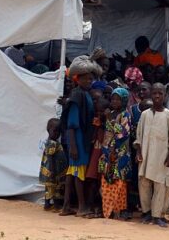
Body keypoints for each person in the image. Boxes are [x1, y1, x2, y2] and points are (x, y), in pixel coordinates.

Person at [59, 56, 100, 216]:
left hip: (79, 140)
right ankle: (82, 207)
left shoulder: (83, 93)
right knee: (78, 173)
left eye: (91, 78)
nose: (90, 81)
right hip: (78, 140)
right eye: (88, 78)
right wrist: (74, 146)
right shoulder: (78, 95)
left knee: (71, 173)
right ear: (79, 78)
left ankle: (66, 207)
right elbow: (72, 124)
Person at [134, 83, 169, 228]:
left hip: (162, 155)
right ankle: (146, 212)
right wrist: (139, 152)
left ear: (165, 95)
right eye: (154, 93)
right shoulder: (145, 114)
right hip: (146, 154)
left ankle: (157, 215)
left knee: (160, 185)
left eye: (160, 93)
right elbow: (138, 136)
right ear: (151, 95)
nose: (157, 96)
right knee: (144, 183)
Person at [99, 88, 131, 220]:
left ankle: (118, 210)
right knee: (106, 181)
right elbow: (106, 133)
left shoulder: (126, 115)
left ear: (124, 100)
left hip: (120, 153)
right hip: (107, 152)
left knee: (119, 182)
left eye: (118, 99)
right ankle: (107, 210)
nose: (114, 101)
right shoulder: (110, 113)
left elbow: (123, 133)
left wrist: (110, 120)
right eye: (113, 99)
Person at [84, 97, 108, 218]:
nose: (99, 114)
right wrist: (96, 126)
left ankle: (100, 208)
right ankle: (91, 206)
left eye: (102, 112)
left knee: (101, 181)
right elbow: (93, 138)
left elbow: (104, 138)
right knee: (92, 180)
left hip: (103, 152)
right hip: (95, 152)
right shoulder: (95, 123)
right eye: (97, 112)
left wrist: (102, 125)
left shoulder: (109, 123)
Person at [40, 118, 67, 211]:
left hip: (53, 170)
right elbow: (50, 157)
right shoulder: (52, 143)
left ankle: (47, 205)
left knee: (51, 187)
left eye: (59, 131)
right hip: (52, 171)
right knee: (54, 188)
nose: (57, 133)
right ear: (48, 130)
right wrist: (52, 170)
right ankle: (55, 205)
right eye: (54, 131)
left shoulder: (54, 142)